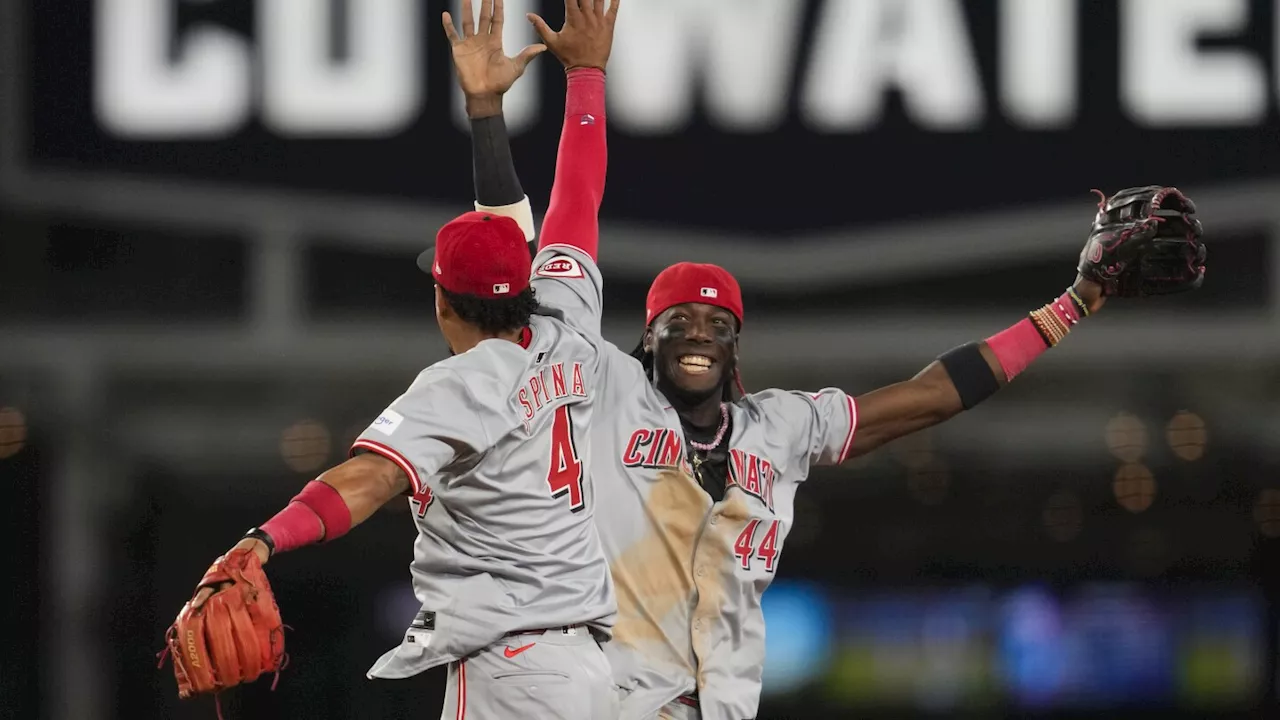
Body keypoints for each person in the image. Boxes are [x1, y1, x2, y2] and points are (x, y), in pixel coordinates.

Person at [471, 4, 1207, 720]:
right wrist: (576, 86)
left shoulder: (780, 427)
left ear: (736, 348)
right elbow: (570, 218)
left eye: (716, 323)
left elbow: (930, 397)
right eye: (678, 322)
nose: (697, 334)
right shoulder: (606, 390)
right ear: (647, 339)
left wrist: (1071, 304)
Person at [163, 4, 624, 718]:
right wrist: (582, 79)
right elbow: (576, 199)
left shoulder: (461, 384)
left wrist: (263, 539)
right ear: (524, 282)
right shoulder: (569, 322)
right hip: (591, 670)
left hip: (516, 675)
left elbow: (369, 477)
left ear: (443, 305)